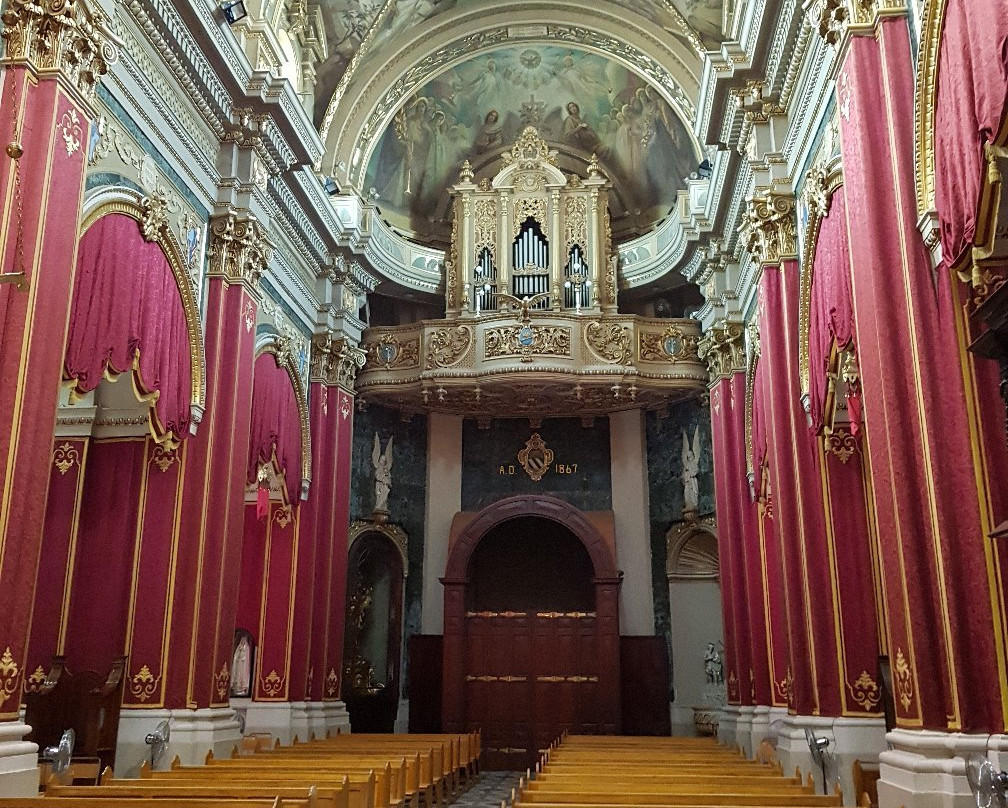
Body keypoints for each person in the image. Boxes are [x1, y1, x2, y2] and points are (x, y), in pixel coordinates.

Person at [372, 432, 394, 513]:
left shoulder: (386, 468)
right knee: (379, 496)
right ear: (379, 460)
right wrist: (383, 475)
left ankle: (383, 508)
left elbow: (389, 477)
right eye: (382, 460)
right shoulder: (378, 468)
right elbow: (377, 476)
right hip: (379, 485)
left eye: (384, 461)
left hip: (385, 485)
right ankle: (378, 507)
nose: (383, 462)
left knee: (385, 494)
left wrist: (387, 479)